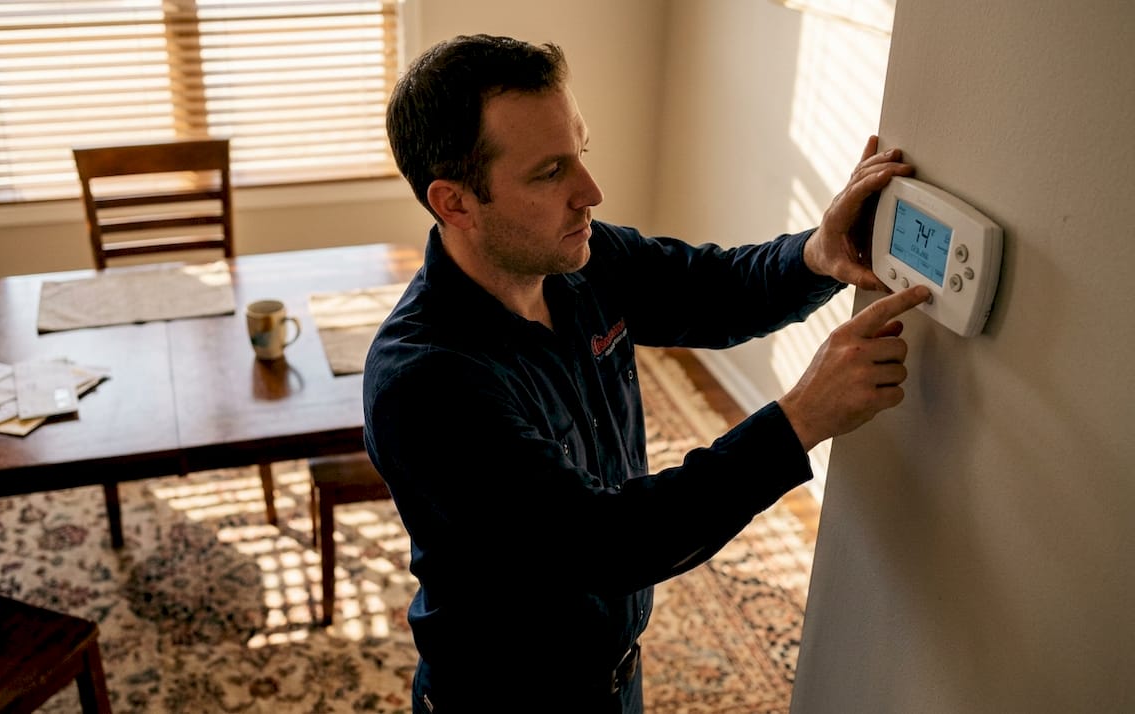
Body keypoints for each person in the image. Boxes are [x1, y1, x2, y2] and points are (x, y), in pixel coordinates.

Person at [363, 34, 929, 713]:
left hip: (615, 680)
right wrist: (800, 419)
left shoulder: (583, 261)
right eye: (549, 173)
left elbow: (713, 290)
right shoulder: (425, 385)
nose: (590, 192)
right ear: (455, 204)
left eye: (582, 153)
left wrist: (817, 252)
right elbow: (608, 543)